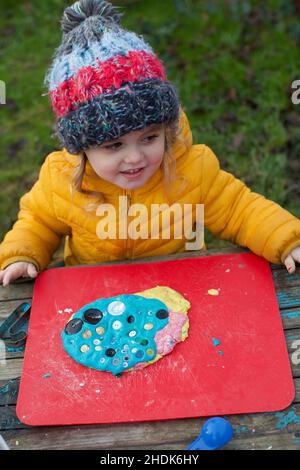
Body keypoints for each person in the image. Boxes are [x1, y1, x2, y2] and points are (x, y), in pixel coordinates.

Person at [0, 0, 299, 287]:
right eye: (114, 146)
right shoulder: (62, 180)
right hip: (97, 296)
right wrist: (22, 254)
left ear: (166, 130)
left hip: (182, 290)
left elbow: (239, 210)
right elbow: (38, 222)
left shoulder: (191, 169)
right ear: (82, 148)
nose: (135, 157)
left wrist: (286, 239)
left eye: (149, 138)